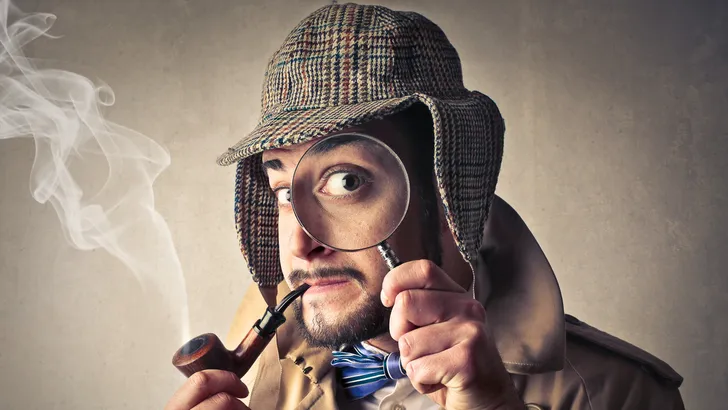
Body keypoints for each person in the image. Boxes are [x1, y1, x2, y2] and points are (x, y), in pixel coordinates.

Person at [165, 3, 685, 409]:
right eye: (283, 192)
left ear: (450, 191)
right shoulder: (262, 361)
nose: (301, 244)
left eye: (346, 181)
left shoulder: (622, 394)